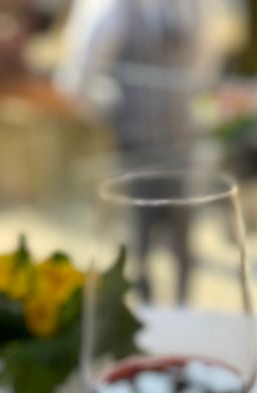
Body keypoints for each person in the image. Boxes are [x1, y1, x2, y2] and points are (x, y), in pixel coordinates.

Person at [55, 0, 215, 300]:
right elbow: (79, 79)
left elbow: (202, 67)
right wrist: (112, 110)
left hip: (181, 145)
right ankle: (148, 314)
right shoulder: (116, 8)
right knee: (141, 240)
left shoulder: (195, 7)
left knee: (184, 237)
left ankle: (184, 309)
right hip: (136, 147)